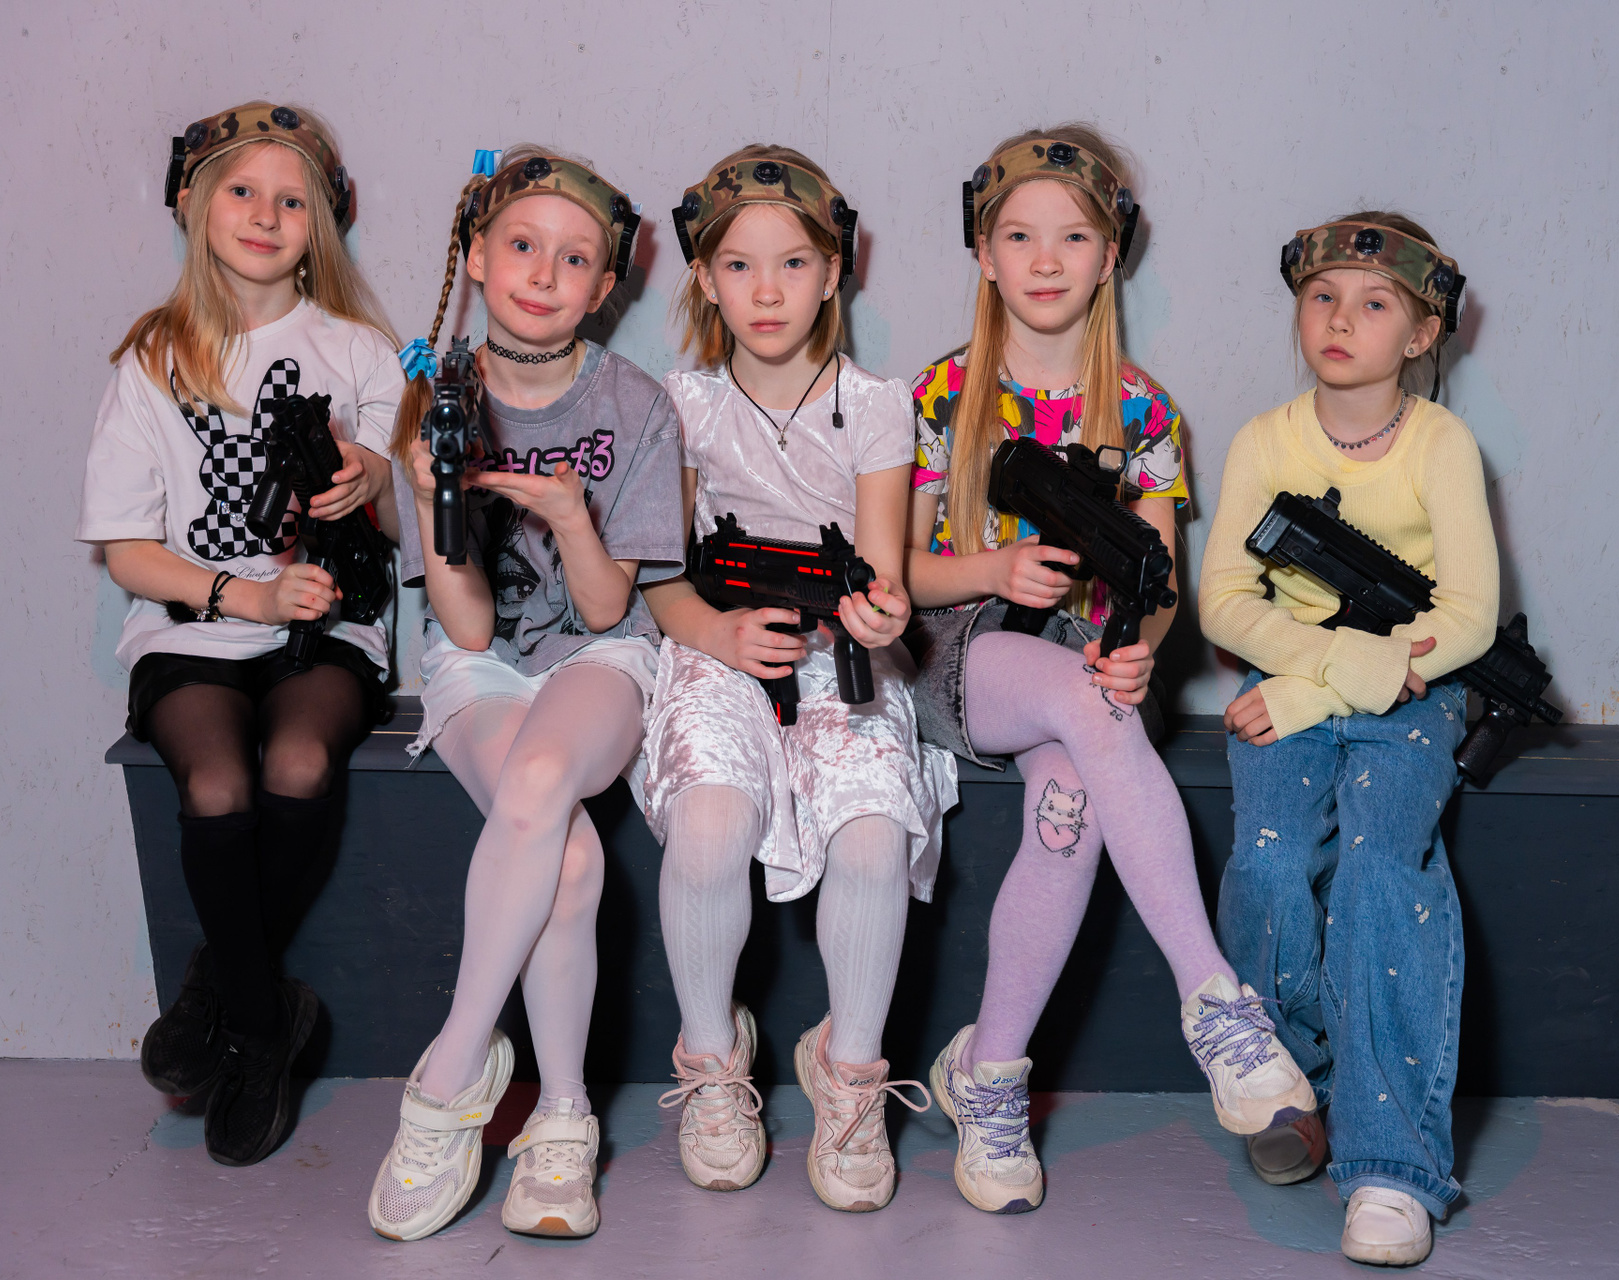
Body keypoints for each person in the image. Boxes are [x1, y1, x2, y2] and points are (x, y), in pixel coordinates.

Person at [905, 125, 1313, 1215]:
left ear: (1110, 254)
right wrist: (996, 568)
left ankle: (989, 1077)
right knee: (1079, 709)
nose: (1046, 259)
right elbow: (902, 571)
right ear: (983, 252)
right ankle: (1214, 999)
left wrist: (1137, 648)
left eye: (1074, 237)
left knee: (1071, 810)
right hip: (955, 653)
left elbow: (1159, 581)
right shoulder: (943, 391)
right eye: (1019, 236)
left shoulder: (1143, 411)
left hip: (1084, 676)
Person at [364, 147, 682, 1242]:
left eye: (575, 258)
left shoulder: (637, 406)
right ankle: (562, 1115)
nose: (544, 273)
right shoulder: (437, 401)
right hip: (484, 665)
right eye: (521, 245)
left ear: (606, 285)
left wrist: (569, 513)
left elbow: (605, 608)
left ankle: (452, 1066)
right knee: (573, 860)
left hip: (600, 655)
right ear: (476, 255)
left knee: (545, 776)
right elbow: (465, 629)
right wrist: (427, 494)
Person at [77, 101, 400, 1166]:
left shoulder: (359, 349)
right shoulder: (152, 359)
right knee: (215, 783)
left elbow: (409, 497)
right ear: (193, 202)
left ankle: (220, 982)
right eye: (243, 191)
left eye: (293, 200)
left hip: (331, 622)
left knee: (300, 760)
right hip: (194, 626)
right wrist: (243, 598)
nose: (266, 215)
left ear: (325, 223)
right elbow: (130, 551)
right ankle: (266, 1025)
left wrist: (369, 477)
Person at [641, 146, 957, 1213]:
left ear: (835, 272)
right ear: (704, 279)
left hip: (838, 652)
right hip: (717, 641)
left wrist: (881, 615)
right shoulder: (682, 404)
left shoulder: (876, 404)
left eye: (792, 263)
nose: (766, 291)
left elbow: (883, 571)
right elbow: (660, 578)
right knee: (709, 827)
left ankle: (851, 1070)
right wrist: (719, 633)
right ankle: (710, 1058)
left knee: (871, 838)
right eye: (738, 265)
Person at [1198, 213, 1493, 1267]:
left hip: (1417, 690)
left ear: (1421, 334)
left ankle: (1392, 1163)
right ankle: (1296, 1089)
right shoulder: (1265, 440)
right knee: (1270, 864)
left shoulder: (1440, 444)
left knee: (1379, 870)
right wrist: (1319, 676)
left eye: (1374, 304)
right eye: (1322, 296)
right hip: (1292, 680)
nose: (1340, 319)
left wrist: (1321, 687)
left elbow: (1468, 618)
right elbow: (1225, 600)